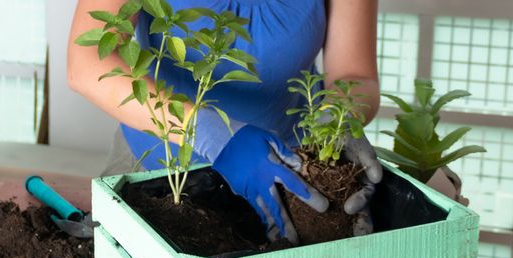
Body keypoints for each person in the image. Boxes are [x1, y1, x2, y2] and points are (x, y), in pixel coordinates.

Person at [68, 0, 382, 243]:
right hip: (157, 161)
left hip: (288, 171)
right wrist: (209, 132)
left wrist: (342, 119)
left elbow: (354, 74)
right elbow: (87, 61)